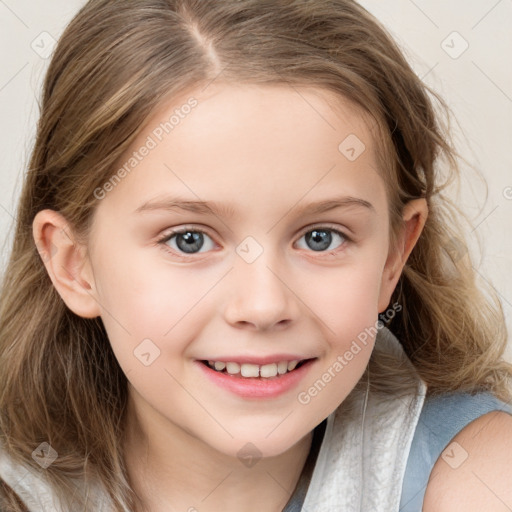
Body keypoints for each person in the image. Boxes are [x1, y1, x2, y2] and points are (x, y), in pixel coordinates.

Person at [0, 1, 511, 511]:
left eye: (320, 237)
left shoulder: (479, 479)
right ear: (74, 265)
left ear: (392, 258)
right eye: (189, 240)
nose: (264, 305)